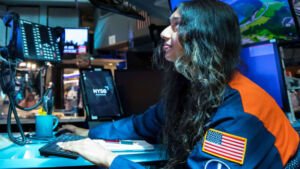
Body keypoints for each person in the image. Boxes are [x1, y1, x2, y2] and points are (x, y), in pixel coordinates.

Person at [58, 0, 300, 168]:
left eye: (176, 26)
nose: (164, 33)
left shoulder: (239, 114)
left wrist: (108, 159)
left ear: (203, 37)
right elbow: (143, 124)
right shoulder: (194, 88)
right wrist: (89, 133)